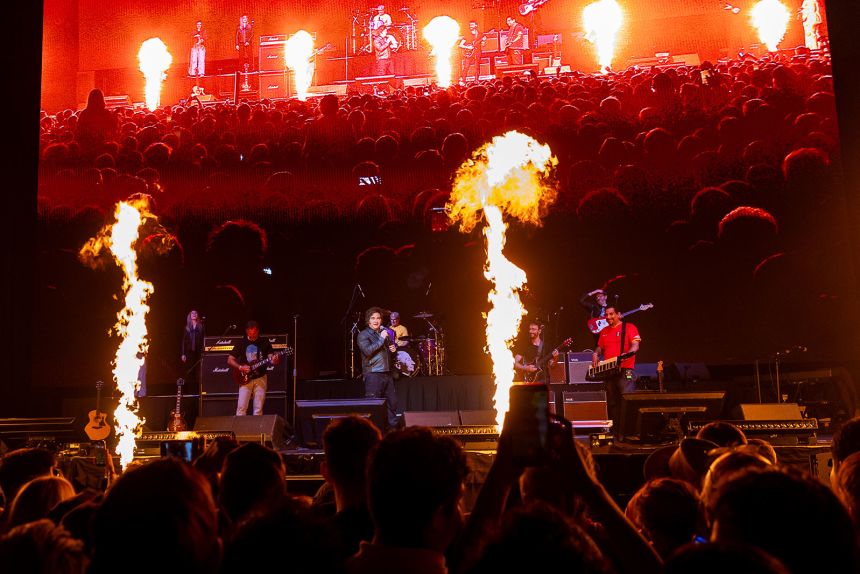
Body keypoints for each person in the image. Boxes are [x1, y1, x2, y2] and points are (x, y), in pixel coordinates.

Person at [592, 306, 641, 430]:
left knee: (627, 400)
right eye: (607, 315)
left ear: (619, 314)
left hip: (625, 369)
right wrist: (595, 353)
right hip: (609, 370)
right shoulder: (604, 331)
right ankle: (616, 431)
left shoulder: (629, 327)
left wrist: (628, 354)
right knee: (612, 402)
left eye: (611, 314)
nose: (608, 317)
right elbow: (600, 347)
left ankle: (630, 431)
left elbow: (635, 345)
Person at [356, 307, 399, 429]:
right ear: (368, 321)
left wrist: (393, 351)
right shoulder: (363, 335)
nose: (376, 320)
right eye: (373, 318)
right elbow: (368, 351)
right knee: (373, 405)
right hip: (373, 374)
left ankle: (393, 431)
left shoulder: (383, 333)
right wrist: (381, 338)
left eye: (378, 318)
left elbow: (387, 355)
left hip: (387, 373)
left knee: (393, 403)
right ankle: (373, 433)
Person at [227, 320, 280, 416]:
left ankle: (256, 431)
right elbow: (230, 360)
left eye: (255, 333)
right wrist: (240, 367)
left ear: (258, 331)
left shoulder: (264, 342)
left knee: (258, 409)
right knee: (241, 408)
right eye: (250, 333)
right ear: (247, 331)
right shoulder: (241, 343)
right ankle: (239, 430)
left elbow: (271, 359)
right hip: (245, 378)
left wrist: (274, 360)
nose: (253, 336)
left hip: (260, 378)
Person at [181, 309, 204, 387]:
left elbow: (204, 339)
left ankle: (198, 389)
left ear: (197, 316)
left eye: (195, 313)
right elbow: (184, 341)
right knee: (190, 370)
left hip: (198, 352)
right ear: (190, 316)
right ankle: (191, 388)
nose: (194, 314)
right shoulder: (187, 328)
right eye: (192, 313)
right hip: (189, 352)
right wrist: (183, 354)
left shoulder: (201, 327)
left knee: (198, 370)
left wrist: (203, 351)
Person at [235, 14, 254, 87]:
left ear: (247, 19)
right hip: (241, 43)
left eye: (246, 18)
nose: (245, 19)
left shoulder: (249, 26)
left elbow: (252, 34)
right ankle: (241, 69)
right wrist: (236, 44)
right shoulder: (239, 27)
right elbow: (236, 36)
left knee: (250, 55)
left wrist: (248, 41)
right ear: (242, 19)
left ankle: (251, 68)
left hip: (248, 43)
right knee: (241, 56)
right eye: (243, 18)